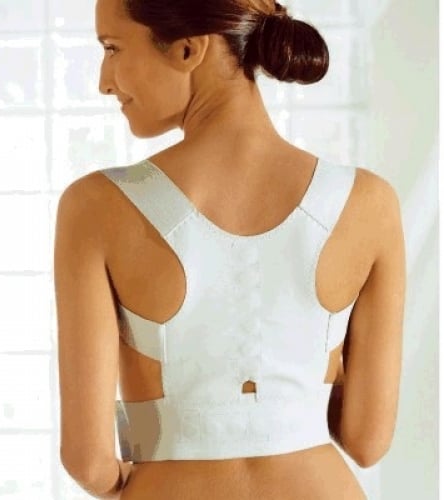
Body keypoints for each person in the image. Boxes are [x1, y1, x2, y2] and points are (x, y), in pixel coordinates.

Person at [54, 0, 406, 498]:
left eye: (112, 49)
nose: (104, 82)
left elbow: (89, 462)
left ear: (187, 50)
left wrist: (162, 453)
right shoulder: (370, 202)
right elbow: (367, 441)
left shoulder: (95, 207)